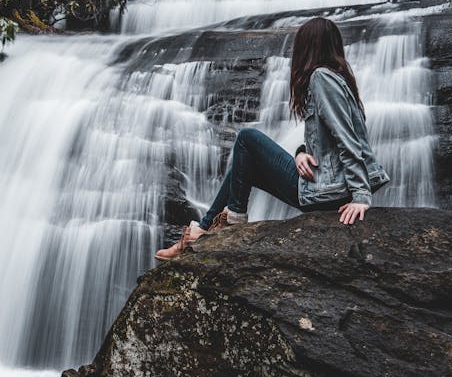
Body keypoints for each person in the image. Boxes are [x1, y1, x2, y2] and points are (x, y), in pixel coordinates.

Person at [156, 17, 390, 261]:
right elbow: (325, 139)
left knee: (248, 138)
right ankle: (204, 229)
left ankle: (225, 222)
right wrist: (300, 152)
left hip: (329, 191)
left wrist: (361, 196)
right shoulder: (338, 79)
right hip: (330, 186)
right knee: (244, 165)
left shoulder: (321, 77)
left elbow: (346, 137)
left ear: (308, 47)